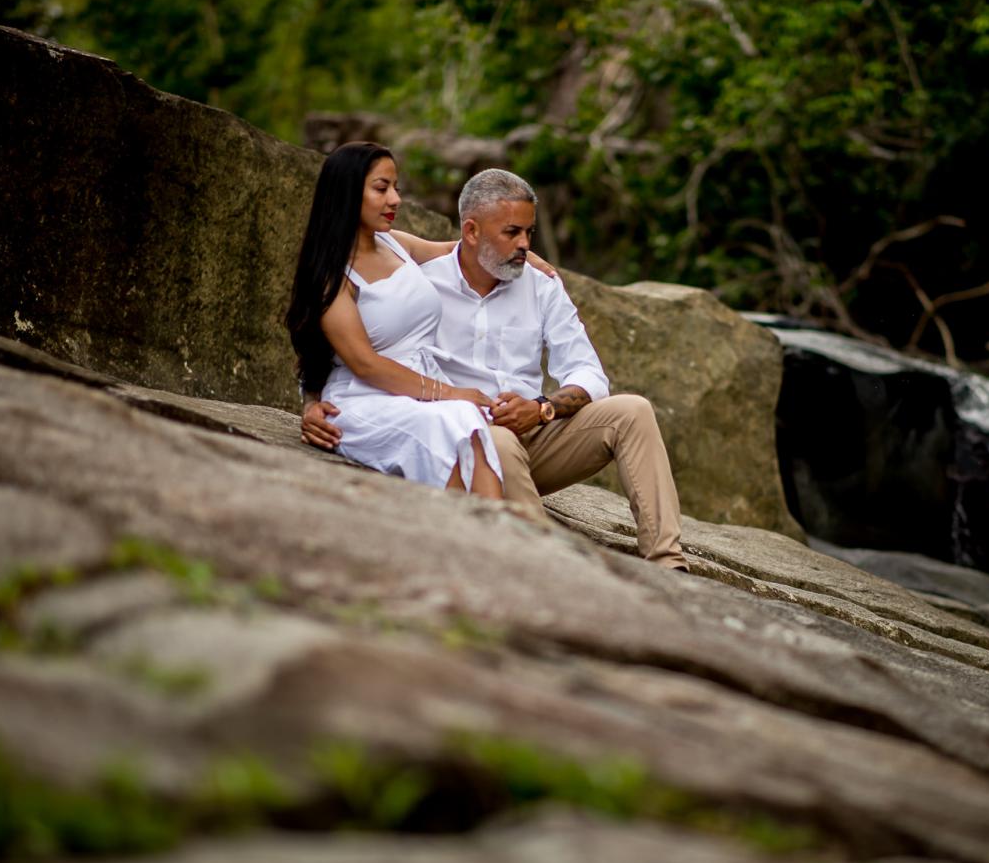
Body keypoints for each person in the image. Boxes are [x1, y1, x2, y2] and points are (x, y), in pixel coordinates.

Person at [302, 168, 687, 571]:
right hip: (467, 434)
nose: (524, 244)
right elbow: (345, 341)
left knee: (634, 411)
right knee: (494, 439)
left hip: (539, 432)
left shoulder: (540, 283)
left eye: (529, 233)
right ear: (471, 231)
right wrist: (312, 399)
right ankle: (545, 567)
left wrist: (541, 409)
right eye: (511, 233)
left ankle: (668, 566)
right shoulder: (419, 282)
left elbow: (589, 374)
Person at [284, 142, 504, 498]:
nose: (395, 199)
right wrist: (448, 393)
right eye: (381, 188)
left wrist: (520, 256)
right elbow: (365, 364)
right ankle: (479, 538)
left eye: (396, 188)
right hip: (365, 398)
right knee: (446, 422)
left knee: (464, 420)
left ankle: (503, 538)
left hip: (422, 389)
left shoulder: (395, 244)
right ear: (347, 192)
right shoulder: (330, 274)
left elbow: (464, 251)